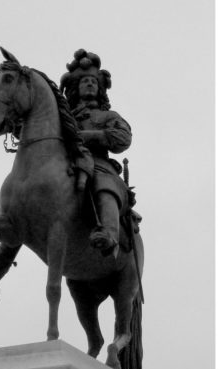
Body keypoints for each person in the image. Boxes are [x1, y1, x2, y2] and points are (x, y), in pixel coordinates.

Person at [60, 49, 132, 257]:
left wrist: (86, 136)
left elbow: (122, 138)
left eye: (93, 81)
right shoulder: (63, 116)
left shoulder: (109, 115)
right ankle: (5, 251)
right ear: (75, 88)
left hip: (99, 163)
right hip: (67, 163)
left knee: (104, 184)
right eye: (84, 81)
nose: (90, 83)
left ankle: (109, 233)